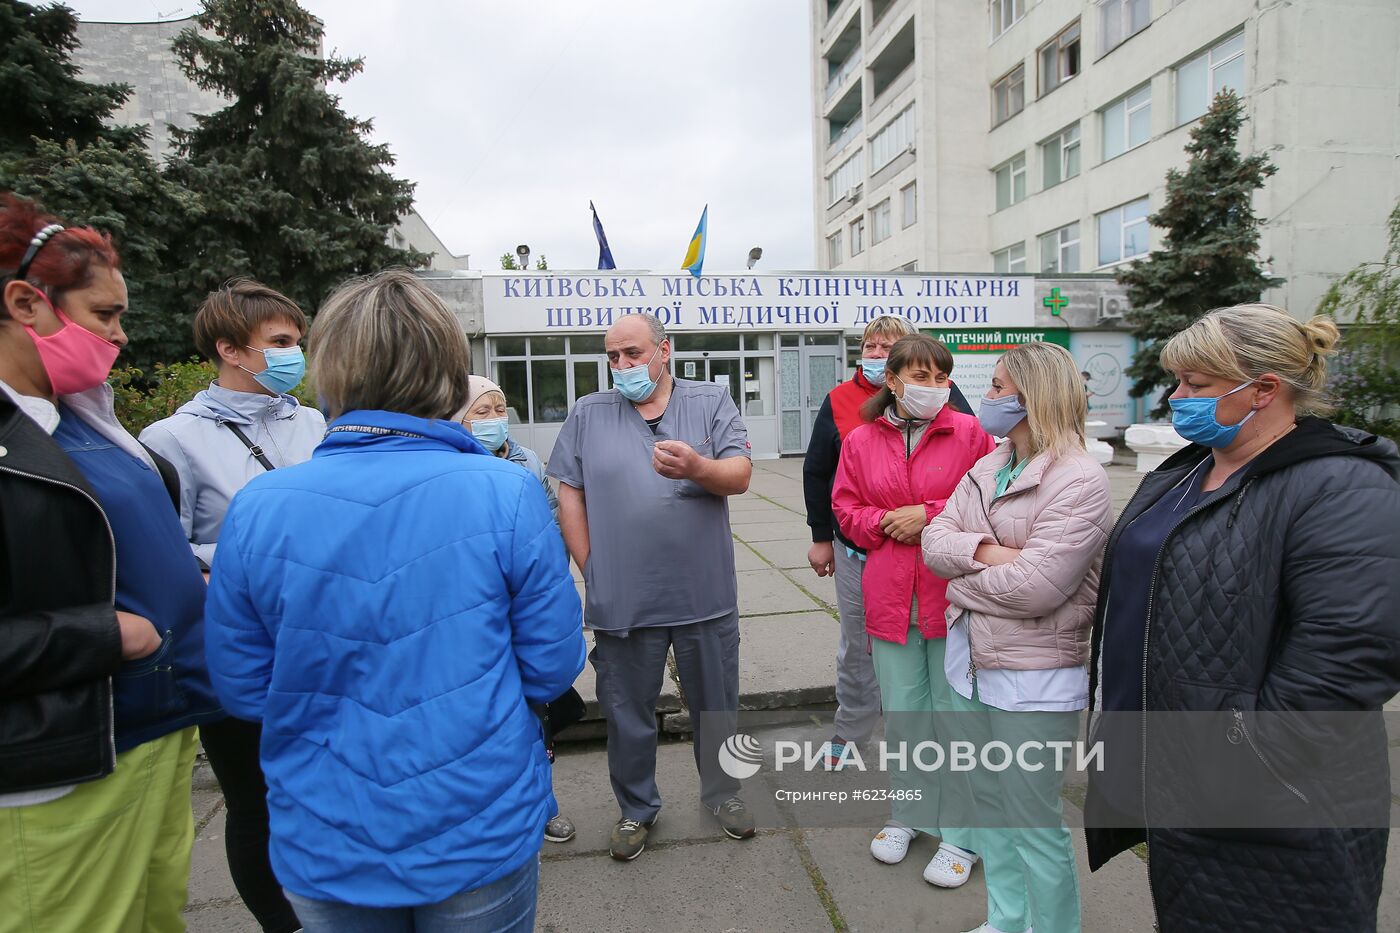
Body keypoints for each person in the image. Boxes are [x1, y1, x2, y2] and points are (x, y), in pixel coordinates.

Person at [204, 270, 586, 932]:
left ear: (331, 367)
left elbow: (242, 687)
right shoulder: (505, 491)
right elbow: (552, 663)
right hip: (477, 821)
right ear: (444, 367)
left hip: (328, 828)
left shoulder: (258, 507)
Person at [1084, 304, 1400, 931]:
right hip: (1176, 776)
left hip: (1270, 797)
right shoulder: (1188, 471)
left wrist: (1241, 760)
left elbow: (1353, 650)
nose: (1177, 398)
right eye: (1178, 382)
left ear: (1263, 389)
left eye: (1196, 385)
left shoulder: (1340, 484)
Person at [0, 193, 222, 932]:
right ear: (26, 303)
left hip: (156, 733)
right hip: (64, 768)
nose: (120, 336)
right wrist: (106, 636)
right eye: (103, 314)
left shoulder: (81, 420)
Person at [139, 278, 323, 933]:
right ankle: (284, 923)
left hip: (317, 642)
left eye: (295, 342)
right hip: (239, 648)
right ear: (229, 349)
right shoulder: (172, 439)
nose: (292, 354)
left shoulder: (313, 421)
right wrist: (238, 565)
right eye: (278, 342)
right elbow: (164, 553)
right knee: (256, 802)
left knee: (318, 791)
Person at [548, 311, 754, 862]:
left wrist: (697, 468)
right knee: (627, 710)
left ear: (664, 351)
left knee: (717, 706)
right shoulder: (590, 413)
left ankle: (724, 793)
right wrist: (593, 565)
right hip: (623, 597)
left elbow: (739, 474)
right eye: (612, 356)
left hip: (702, 592)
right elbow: (569, 489)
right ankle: (636, 809)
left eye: (632, 353)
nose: (622, 365)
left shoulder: (709, 401)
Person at [923, 341, 1112, 933]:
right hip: (971, 663)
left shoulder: (1078, 479)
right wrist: (988, 552)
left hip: (1034, 679)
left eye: (1000, 387)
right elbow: (935, 542)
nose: (989, 396)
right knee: (989, 808)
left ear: (1035, 397)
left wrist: (961, 579)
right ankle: (1006, 920)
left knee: (1031, 819)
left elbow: (1038, 590)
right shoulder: (989, 464)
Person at [830, 333, 994, 883]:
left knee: (960, 721)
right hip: (890, 596)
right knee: (904, 719)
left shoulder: (971, 433)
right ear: (892, 380)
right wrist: (882, 523)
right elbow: (845, 509)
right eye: (919, 376)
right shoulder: (860, 441)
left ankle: (965, 836)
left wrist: (927, 513)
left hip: (952, 596)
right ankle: (911, 814)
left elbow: (987, 502)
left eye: (940, 377)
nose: (931, 387)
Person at [803, 315, 972, 768]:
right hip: (865, 553)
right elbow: (821, 472)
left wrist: (928, 517)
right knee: (858, 647)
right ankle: (851, 732)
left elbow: (975, 480)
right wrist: (825, 536)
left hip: (936, 560)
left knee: (939, 663)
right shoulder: (842, 403)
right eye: (871, 346)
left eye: (887, 345)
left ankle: (940, 762)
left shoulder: (946, 400)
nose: (877, 353)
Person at [458, 373, 579, 845]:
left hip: (526, 607)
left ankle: (543, 805)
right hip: (481, 612)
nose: (494, 420)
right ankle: (489, 810)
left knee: (539, 714)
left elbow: (550, 518)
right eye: (480, 412)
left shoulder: (525, 458)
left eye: (498, 409)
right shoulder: (452, 464)